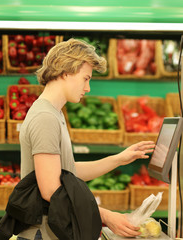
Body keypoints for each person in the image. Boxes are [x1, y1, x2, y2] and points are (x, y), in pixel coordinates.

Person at [18, 38, 155, 240]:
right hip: (43, 233)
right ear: (65, 72)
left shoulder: (53, 113)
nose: (88, 87)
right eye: (86, 78)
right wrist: (106, 216)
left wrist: (119, 159)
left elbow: (67, 171)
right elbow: (50, 191)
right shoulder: (45, 118)